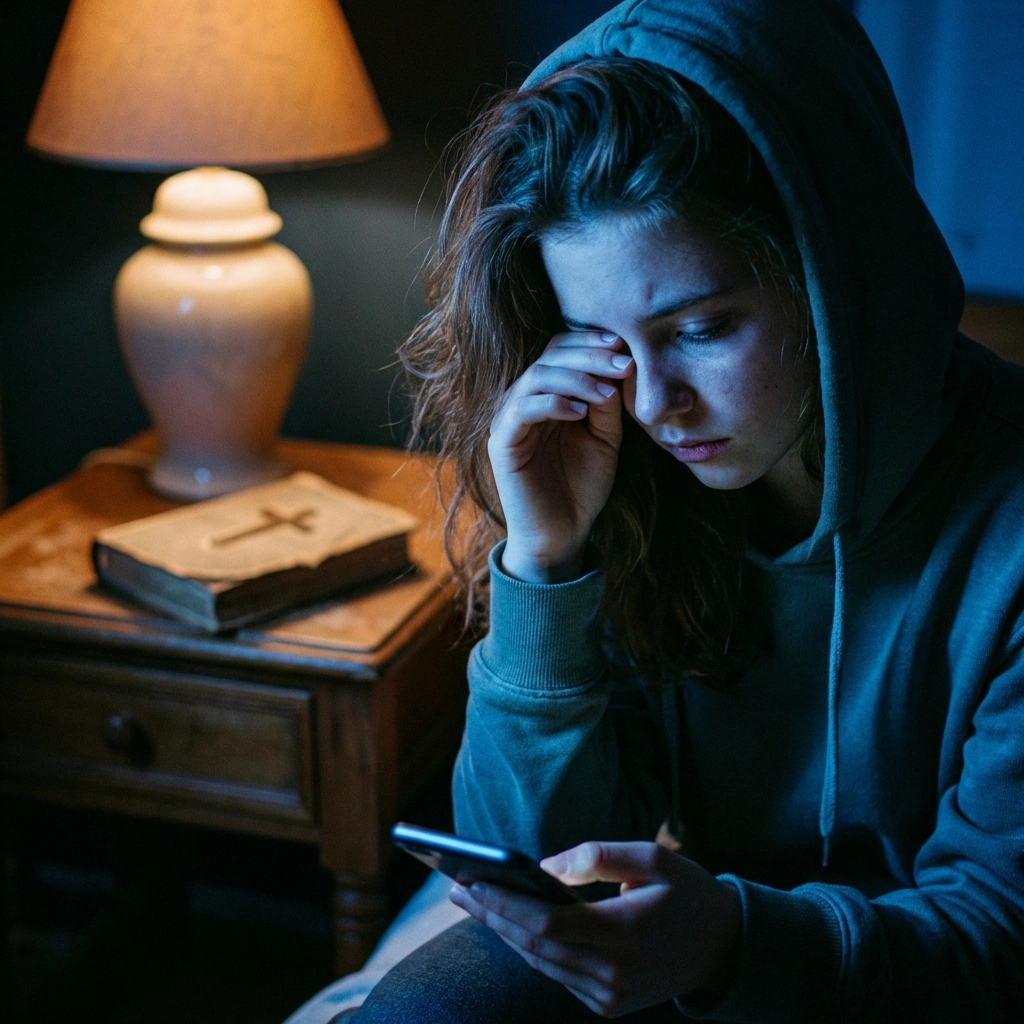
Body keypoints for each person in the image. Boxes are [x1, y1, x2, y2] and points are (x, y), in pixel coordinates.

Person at [347, 1, 1024, 1020]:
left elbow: (998, 942)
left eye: (701, 327)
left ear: (833, 277)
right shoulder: (630, 476)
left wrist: (730, 941)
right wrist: (545, 564)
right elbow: (538, 878)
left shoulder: (1003, 528)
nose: (655, 405)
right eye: (600, 340)